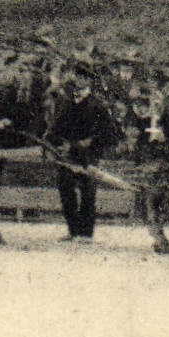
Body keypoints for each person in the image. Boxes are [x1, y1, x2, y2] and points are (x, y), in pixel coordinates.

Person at [47, 61, 112, 242]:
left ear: (90, 81)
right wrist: (53, 142)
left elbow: (106, 133)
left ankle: (85, 233)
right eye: (78, 76)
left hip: (87, 154)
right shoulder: (65, 101)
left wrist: (85, 144)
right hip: (67, 154)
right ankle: (73, 230)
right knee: (66, 190)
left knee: (88, 192)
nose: (80, 80)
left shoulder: (97, 104)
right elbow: (56, 126)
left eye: (85, 77)